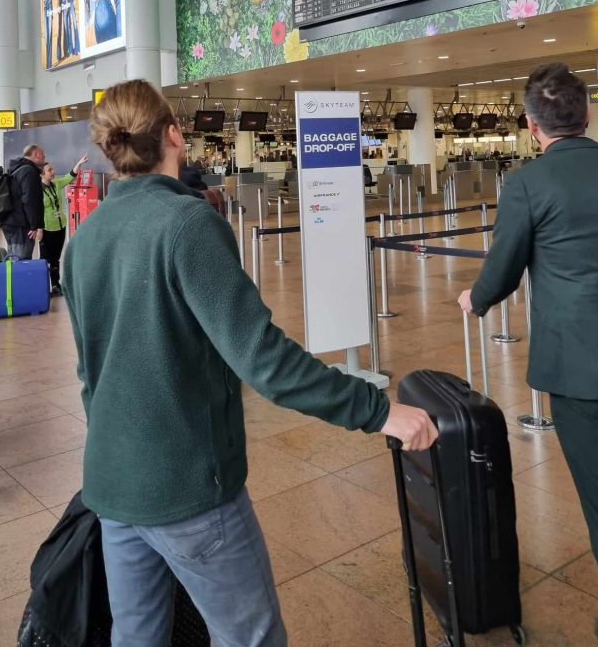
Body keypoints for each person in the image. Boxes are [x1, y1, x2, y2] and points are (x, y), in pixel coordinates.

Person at [62, 80, 437, 646]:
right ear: (172, 134)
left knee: (136, 637)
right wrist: (377, 410)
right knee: (251, 637)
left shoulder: (82, 241)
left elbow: (89, 374)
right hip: (188, 488)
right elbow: (264, 361)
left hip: (113, 483)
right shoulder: (187, 225)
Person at [457, 63, 598, 647]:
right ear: (588, 112)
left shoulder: (528, 183)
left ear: (530, 125)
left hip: (581, 376)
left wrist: (477, 297)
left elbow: (504, 267)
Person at [41, 154, 88, 295]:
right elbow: (35, 210)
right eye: (50, 170)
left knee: (56, 258)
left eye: (52, 169)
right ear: (42, 174)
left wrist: (79, 163)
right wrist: (38, 227)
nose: (53, 172)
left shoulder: (56, 184)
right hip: (46, 229)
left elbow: (70, 176)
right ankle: (42, 287)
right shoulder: (37, 190)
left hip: (60, 226)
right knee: (44, 260)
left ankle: (56, 285)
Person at [3, 145, 45, 260]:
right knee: (21, 260)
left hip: (11, 221)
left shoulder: (17, 168)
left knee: (13, 258)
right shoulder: (29, 171)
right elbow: (30, 200)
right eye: (42, 155)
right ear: (36, 154)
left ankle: (13, 278)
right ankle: (17, 278)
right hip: (21, 225)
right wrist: (34, 225)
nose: (44, 157)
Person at [41, 0, 52, 70]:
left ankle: (49, 62)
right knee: (46, 36)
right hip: (44, 5)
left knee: (50, 33)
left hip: (50, 4)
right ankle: (48, 63)